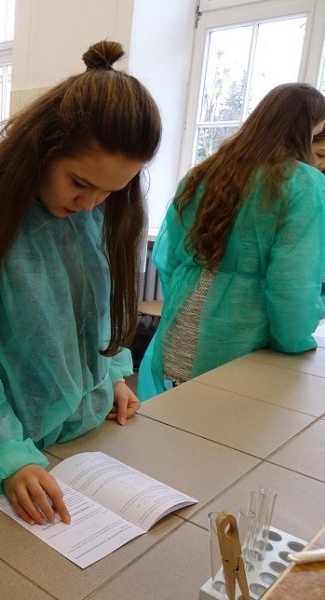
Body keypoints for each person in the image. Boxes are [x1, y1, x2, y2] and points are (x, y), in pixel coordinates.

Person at [0, 40, 161, 527]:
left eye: (109, 191)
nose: (88, 203)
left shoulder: (93, 218)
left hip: (88, 443)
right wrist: (10, 458)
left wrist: (112, 378)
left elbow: (95, 320)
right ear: (43, 150)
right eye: (80, 182)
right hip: (10, 455)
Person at [138, 82, 325, 400]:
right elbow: (292, 282)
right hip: (240, 335)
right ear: (306, 130)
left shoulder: (206, 171)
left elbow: (169, 258)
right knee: (227, 420)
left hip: (182, 323)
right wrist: (294, 341)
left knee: (179, 414)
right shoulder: (304, 184)